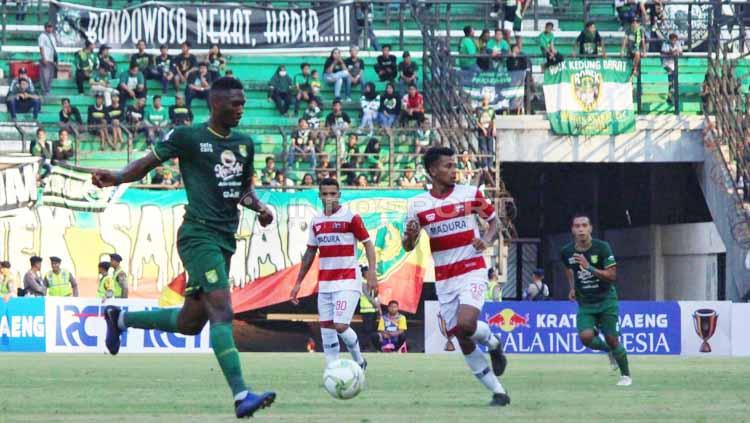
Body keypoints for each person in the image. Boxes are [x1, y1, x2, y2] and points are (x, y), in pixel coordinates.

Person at [93, 77, 277, 418]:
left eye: (243, 103)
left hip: (224, 238)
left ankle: (120, 318)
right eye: (234, 103)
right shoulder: (188, 137)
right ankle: (241, 395)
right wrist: (117, 176)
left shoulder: (244, 144)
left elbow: (242, 191)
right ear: (214, 104)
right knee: (222, 310)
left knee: (191, 322)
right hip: (197, 235)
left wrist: (260, 207)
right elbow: (149, 162)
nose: (241, 108)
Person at [402, 146, 509, 406]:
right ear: (432, 171)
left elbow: (495, 221)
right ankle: (499, 392)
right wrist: (412, 235)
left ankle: (494, 343)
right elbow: (408, 245)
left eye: (454, 165)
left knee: (466, 324)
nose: (454, 170)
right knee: (460, 335)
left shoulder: (470, 194)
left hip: (472, 269)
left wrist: (485, 239)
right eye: (447, 166)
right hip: (445, 278)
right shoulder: (417, 205)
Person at [290, 178, 378, 370]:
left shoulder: (350, 217)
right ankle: (333, 370)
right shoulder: (316, 221)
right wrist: (298, 283)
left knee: (340, 325)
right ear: (319, 196)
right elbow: (310, 252)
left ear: (339, 195)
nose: (329, 198)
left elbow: (368, 244)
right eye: (325, 194)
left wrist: (372, 272)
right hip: (326, 283)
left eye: (333, 194)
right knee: (327, 329)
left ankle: (359, 361)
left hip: (347, 281)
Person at [560, 213, 631, 386]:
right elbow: (569, 268)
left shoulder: (602, 248)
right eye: (577, 226)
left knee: (612, 339)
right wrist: (571, 287)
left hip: (606, 300)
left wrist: (589, 267)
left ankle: (626, 376)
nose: (581, 229)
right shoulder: (567, 251)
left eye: (584, 225)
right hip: (586, 302)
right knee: (585, 337)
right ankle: (609, 351)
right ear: (572, 230)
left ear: (590, 228)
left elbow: (612, 275)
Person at [661, 33, 683, 105]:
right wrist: (671, 53)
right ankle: (671, 94)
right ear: (670, 40)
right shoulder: (665, 44)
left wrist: (678, 52)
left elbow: (681, 53)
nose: (674, 41)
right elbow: (663, 52)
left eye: (675, 40)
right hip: (666, 63)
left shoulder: (678, 44)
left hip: (674, 64)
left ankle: (670, 96)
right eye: (672, 40)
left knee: (672, 79)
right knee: (672, 75)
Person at [476, 94, 496, 169]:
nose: (485, 101)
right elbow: (477, 121)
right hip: (482, 130)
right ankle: (485, 165)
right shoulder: (479, 109)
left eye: (487, 99)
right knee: (483, 148)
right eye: (484, 99)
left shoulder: (491, 109)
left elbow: (493, 119)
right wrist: (483, 128)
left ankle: (490, 164)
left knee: (490, 148)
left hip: (490, 129)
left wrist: (494, 128)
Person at [38, 22, 58, 96]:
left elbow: (54, 48)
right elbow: (41, 47)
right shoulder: (42, 36)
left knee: (50, 76)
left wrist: (55, 59)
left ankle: (48, 90)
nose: (50, 28)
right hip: (46, 58)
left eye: (51, 27)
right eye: (48, 27)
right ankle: (44, 91)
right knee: (44, 76)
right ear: (45, 28)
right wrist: (44, 58)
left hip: (52, 59)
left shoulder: (52, 36)